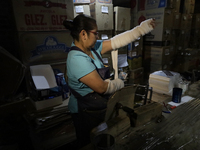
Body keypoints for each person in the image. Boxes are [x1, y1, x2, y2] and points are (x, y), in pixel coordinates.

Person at [63, 14, 155, 149]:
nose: (98, 37)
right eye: (95, 33)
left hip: (96, 107)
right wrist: (119, 82)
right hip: (85, 112)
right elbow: (101, 88)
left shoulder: (92, 49)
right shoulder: (77, 59)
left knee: (101, 139)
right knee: (89, 143)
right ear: (83, 34)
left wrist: (141, 29)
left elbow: (116, 41)